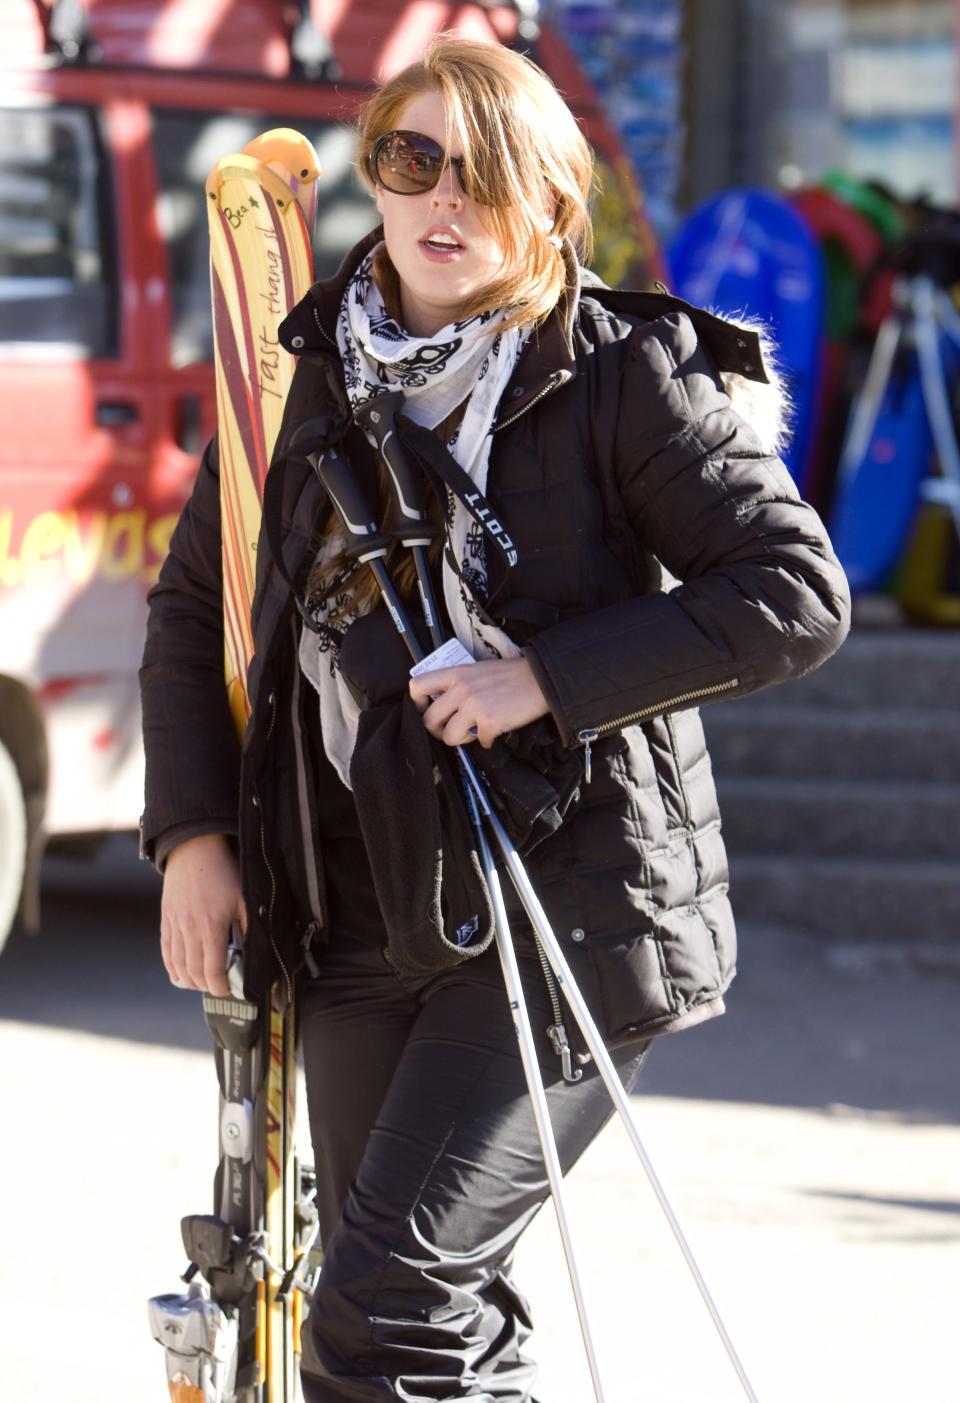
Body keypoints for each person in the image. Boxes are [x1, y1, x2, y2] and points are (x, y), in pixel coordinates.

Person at [140, 35, 850, 1403]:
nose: (444, 203)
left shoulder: (621, 373)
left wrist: (544, 676)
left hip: (567, 911)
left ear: (552, 202)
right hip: (353, 914)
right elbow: (191, 611)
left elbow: (795, 593)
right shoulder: (312, 379)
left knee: (387, 1311)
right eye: (412, 161)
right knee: (423, 1310)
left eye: (489, 172)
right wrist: (189, 838)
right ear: (377, 179)